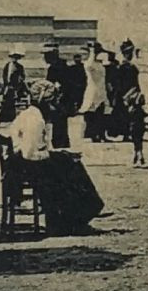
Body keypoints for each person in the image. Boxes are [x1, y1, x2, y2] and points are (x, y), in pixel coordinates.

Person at [7, 79, 105, 234]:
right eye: (53, 102)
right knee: (70, 170)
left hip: (23, 163)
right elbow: (29, 154)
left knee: (70, 163)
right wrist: (53, 156)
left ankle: (72, 217)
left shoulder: (31, 114)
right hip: (25, 166)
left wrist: (58, 155)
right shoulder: (35, 120)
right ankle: (75, 217)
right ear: (45, 102)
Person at [43, 42, 77, 149]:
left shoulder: (54, 68)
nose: (44, 58)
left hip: (59, 99)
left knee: (58, 122)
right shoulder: (64, 65)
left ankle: (59, 143)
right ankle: (62, 142)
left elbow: (51, 84)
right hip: (64, 99)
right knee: (61, 122)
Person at [80, 45, 108, 141]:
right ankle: (92, 135)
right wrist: (92, 51)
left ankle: (101, 135)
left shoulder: (100, 65)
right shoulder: (88, 64)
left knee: (101, 114)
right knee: (91, 114)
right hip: (92, 91)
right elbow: (89, 65)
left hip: (101, 91)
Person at [0, 47, 28, 125]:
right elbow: (4, 75)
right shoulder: (7, 65)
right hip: (7, 86)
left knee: (11, 102)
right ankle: (2, 119)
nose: (14, 59)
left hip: (14, 87)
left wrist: (17, 85)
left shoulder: (19, 67)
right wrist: (6, 83)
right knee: (5, 102)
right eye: (13, 57)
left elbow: (22, 77)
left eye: (16, 58)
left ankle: (10, 119)